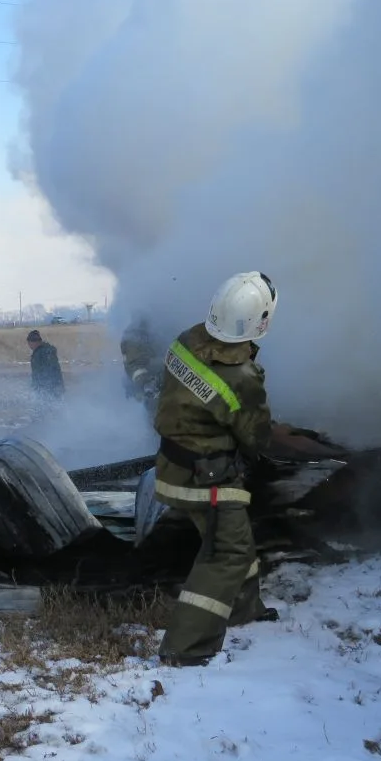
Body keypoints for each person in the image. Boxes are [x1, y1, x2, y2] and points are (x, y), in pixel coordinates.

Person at [152, 271, 279, 667]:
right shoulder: (241, 377)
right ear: (260, 321)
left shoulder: (186, 340)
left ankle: (245, 611)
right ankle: (185, 648)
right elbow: (255, 436)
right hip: (206, 480)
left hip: (172, 464)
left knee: (235, 539)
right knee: (228, 552)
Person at [120, 313, 164, 410]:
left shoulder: (160, 330)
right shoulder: (133, 335)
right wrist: (144, 385)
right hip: (143, 387)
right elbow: (134, 365)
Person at [26, 329, 64, 401]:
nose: (29, 346)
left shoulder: (43, 352)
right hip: (47, 387)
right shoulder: (39, 352)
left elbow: (50, 370)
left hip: (50, 387)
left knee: (50, 407)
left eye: (29, 343)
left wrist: (40, 386)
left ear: (35, 342)